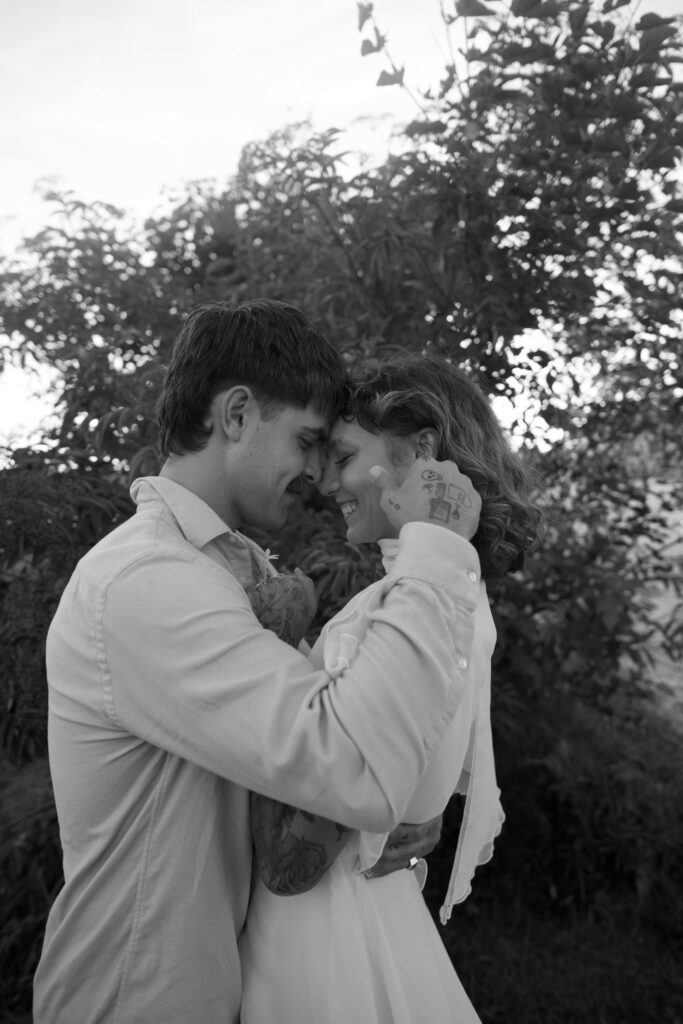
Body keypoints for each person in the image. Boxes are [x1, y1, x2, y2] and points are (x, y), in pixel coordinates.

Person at [33, 301, 486, 1024]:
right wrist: (433, 551)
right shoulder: (150, 583)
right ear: (236, 414)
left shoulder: (218, 571)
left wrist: (399, 806)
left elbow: (324, 758)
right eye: (307, 440)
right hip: (134, 998)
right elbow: (348, 762)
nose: (315, 471)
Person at [239, 354, 542, 1024]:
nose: (324, 481)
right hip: (376, 913)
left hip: (317, 936)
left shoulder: (397, 613)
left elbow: (290, 858)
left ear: (421, 453)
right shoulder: (456, 601)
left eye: (343, 455)